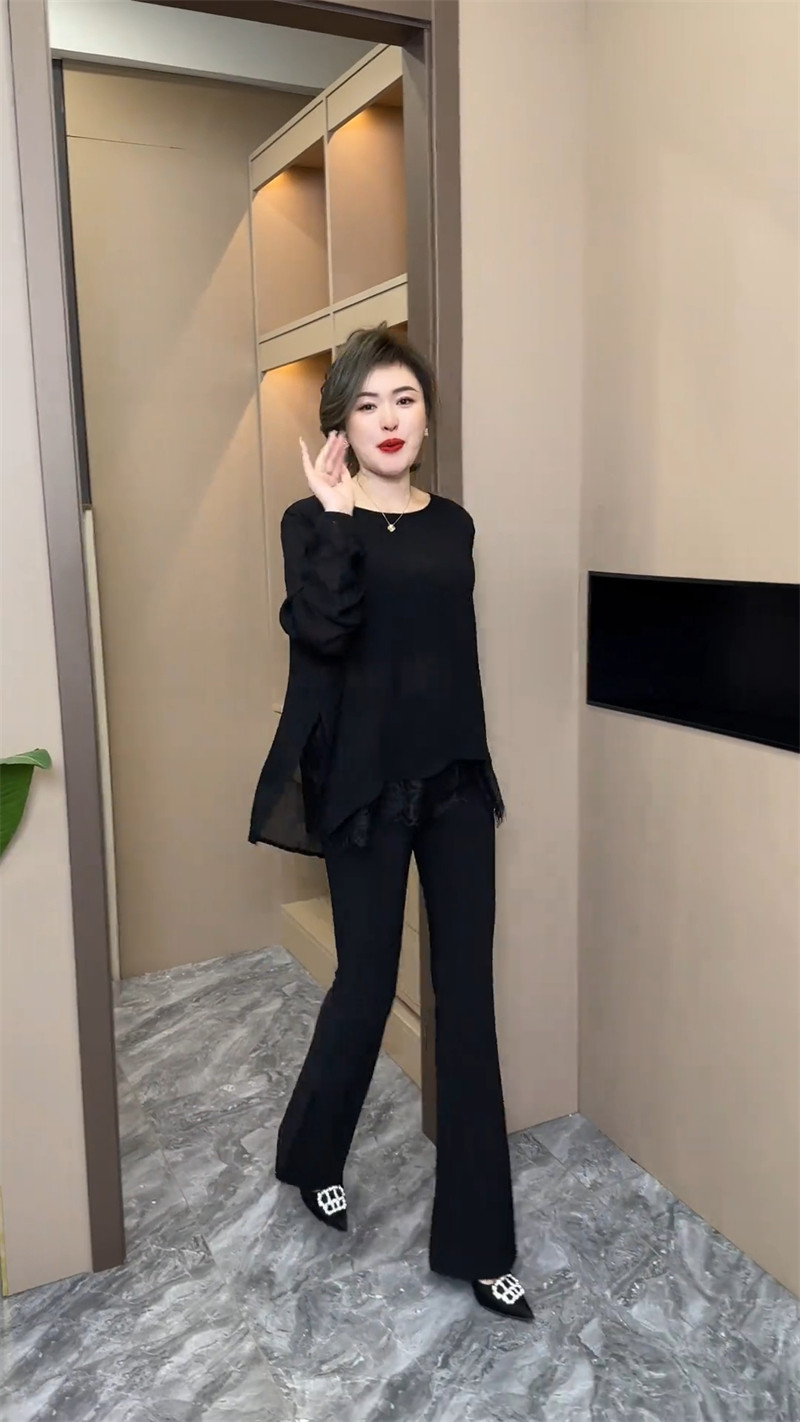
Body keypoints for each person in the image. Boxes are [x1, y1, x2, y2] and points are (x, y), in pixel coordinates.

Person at [248, 324, 531, 1322]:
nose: (389, 420)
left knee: (469, 1002)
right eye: (367, 405)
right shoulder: (309, 521)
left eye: (404, 400)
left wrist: (469, 761)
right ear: (340, 426)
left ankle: (481, 1244)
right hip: (365, 792)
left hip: (454, 785)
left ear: (427, 417)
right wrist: (336, 520)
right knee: (365, 988)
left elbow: (448, 655)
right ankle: (310, 1153)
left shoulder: (454, 525)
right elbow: (324, 635)